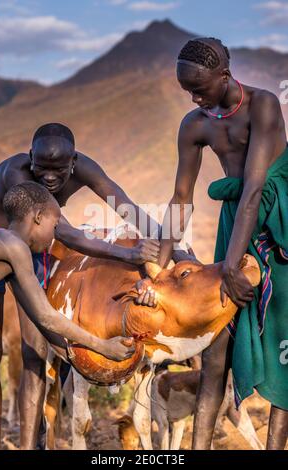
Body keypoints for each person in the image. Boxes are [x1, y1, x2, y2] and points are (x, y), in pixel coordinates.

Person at [139, 37, 288, 449]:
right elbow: (181, 200)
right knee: (216, 347)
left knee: (283, 334)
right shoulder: (196, 124)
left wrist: (230, 266)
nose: (195, 97)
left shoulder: (263, 105)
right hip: (234, 228)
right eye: (188, 91)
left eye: (201, 88)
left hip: (278, 223)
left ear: (225, 75)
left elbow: (255, 188)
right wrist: (159, 271)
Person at [0, 125, 160, 449]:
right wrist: (101, 346)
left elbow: (126, 206)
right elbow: (65, 236)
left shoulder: (24, 240)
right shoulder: (17, 188)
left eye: (59, 170)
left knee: (37, 350)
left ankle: (30, 445)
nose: (50, 178)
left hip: (21, 247)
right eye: (42, 168)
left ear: (74, 161)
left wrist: (171, 246)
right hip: (10, 246)